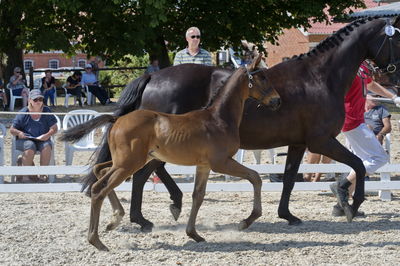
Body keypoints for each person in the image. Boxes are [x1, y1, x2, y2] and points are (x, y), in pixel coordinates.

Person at [330, 62, 400, 218]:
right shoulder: (347, 64)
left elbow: (371, 84)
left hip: (357, 119)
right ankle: (341, 185)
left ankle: (340, 205)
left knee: (362, 161)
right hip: (351, 119)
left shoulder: (362, 66)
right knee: (379, 157)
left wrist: (393, 96)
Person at [10, 89, 58, 183]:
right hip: (25, 139)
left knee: (47, 146)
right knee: (30, 146)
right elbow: (12, 129)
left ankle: (43, 175)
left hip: (42, 138)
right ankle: (25, 176)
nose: (38, 102)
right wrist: (19, 133)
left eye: (40, 99)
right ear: (30, 100)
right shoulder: (23, 112)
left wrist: (48, 134)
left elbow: (54, 128)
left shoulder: (47, 111)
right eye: (35, 99)